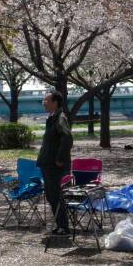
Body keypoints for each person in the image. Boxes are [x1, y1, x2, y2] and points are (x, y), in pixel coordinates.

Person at [37, 89, 73, 234]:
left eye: (46, 100)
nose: (43, 103)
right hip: (48, 164)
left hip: (54, 166)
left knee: (56, 195)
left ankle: (63, 226)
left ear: (55, 102)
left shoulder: (60, 118)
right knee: (51, 196)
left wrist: (59, 159)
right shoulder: (52, 117)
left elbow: (67, 139)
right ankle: (59, 225)